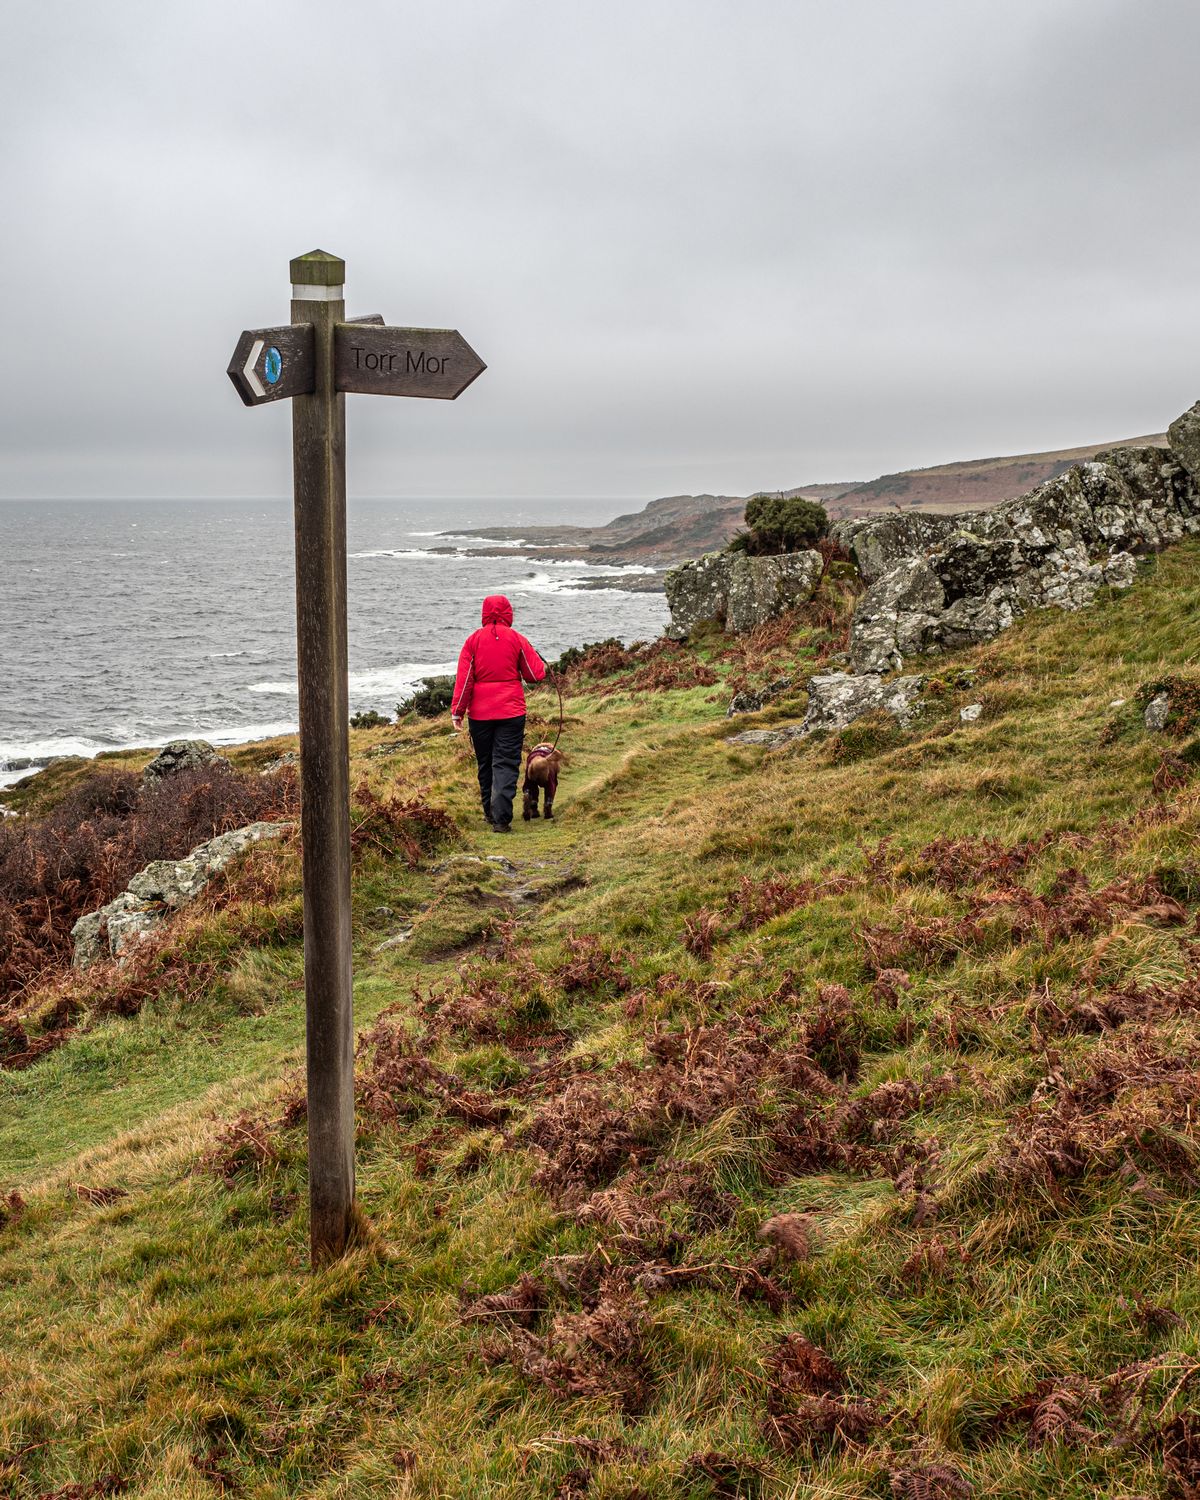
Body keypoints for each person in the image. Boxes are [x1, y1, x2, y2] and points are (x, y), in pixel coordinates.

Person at [450, 594, 547, 833]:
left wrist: (457, 712)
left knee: (485, 763)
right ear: (508, 612)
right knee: (505, 763)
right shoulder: (517, 639)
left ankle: (490, 814)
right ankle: (501, 820)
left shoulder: (472, 641)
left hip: (480, 715)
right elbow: (535, 676)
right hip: (511, 712)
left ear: (484, 613)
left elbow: (464, 681)